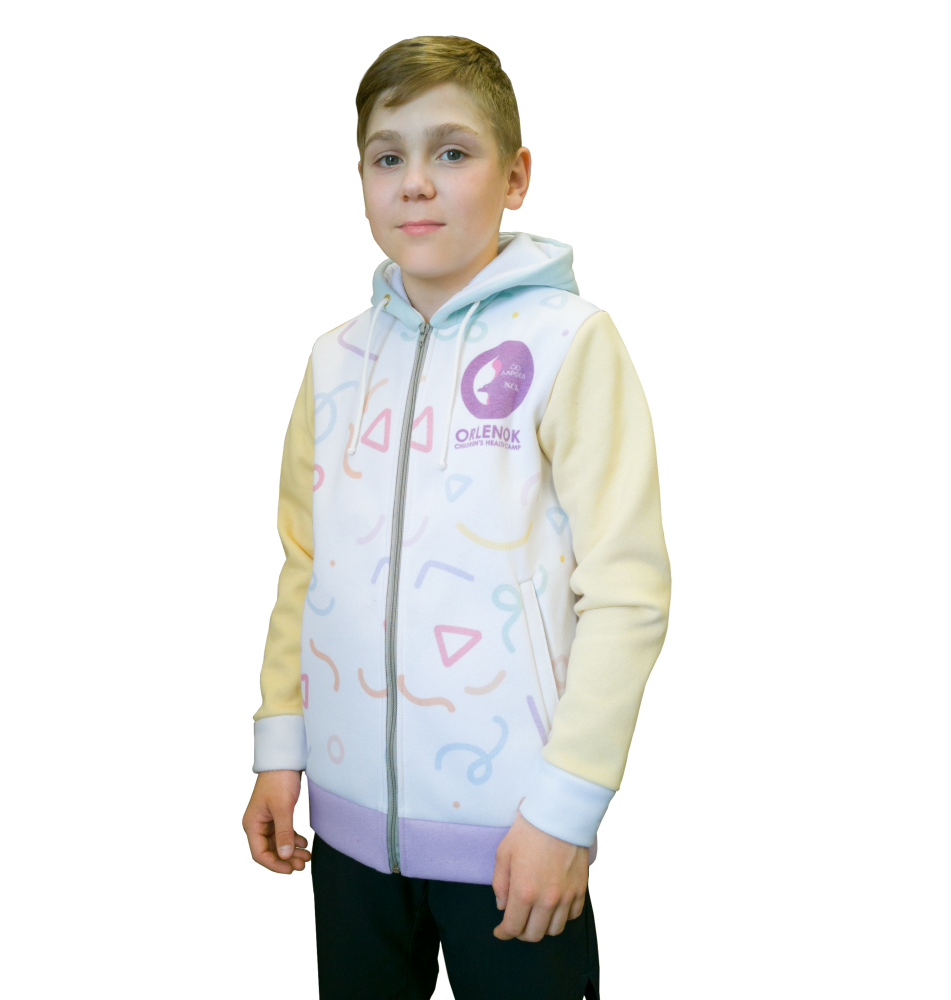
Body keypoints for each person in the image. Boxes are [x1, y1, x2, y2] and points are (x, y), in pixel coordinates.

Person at [241, 35, 671, 1000]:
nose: (416, 182)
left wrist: (565, 811)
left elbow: (628, 593)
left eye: (452, 151)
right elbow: (304, 565)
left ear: (515, 177)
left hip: (515, 836)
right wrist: (281, 750)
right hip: (348, 832)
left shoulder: (569, 344)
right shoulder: (334, 362)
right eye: (387, 156)